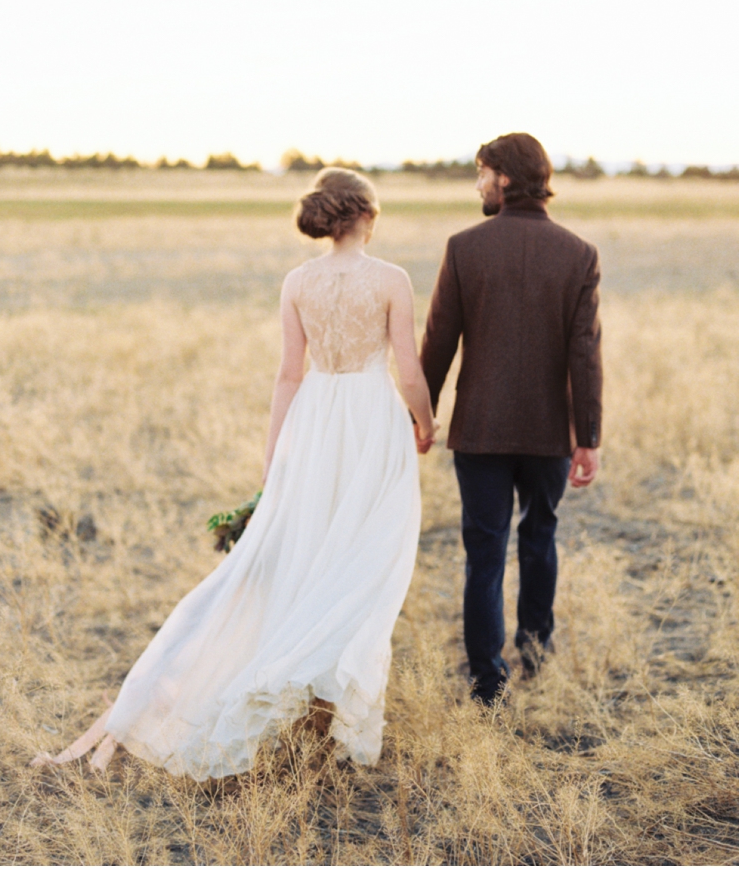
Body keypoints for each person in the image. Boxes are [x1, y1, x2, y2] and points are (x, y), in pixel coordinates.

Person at [33, 168, 436, 779]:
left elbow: (287, 375)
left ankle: (307, 703)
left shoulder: (298, 281)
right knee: (360, 557)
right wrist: (425, 422)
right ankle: (315, 698)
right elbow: (408, 368)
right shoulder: (391, 279)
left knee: (305, 555)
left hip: (317, 421)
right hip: (370, 422)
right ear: (365, 215)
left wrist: (275, 454)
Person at [419, 133, 602, 706]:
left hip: (480, 429)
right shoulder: (579, 253)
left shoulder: (464, 247)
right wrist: (587, 436)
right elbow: (585, 354)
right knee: (540, 534)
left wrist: (421, 416)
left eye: (480, 172)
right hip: (550, 432)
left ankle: (486, 679)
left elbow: (438, 343)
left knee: (484, 549)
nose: (476, 183)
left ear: (504, 178)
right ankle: (535, 651)